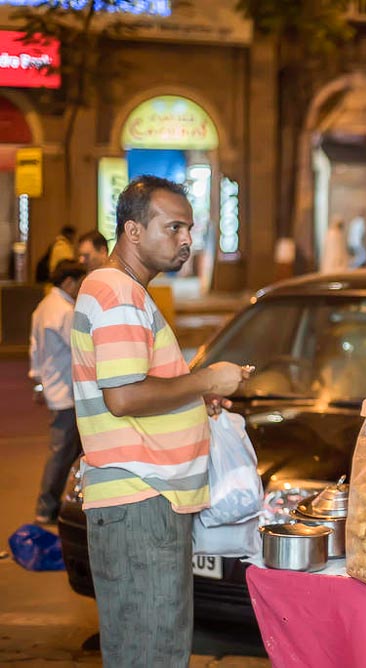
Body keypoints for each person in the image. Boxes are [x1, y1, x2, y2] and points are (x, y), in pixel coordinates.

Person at [71, 175, 251, 666]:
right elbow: (124, 397)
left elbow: (135, 389)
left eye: (189, 229)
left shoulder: (121, 291)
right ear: (132, 230)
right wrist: (207, 382)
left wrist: (192, 399)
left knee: (145, 647)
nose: (187, 240)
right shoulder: (118, 295)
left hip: (143, 501)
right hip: (142, 499)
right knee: (155, 651)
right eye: (173, 228)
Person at [29, 259, 88, 524]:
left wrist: (38, 381)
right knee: (62, 451)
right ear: (68, 282)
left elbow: (34, 349)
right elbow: (81, 348)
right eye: (79, 282)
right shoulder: (65, 310)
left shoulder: (43, 307)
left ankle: (55, 504)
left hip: (55, 386)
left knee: (68, 450)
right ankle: (46, 507)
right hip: (66, 391)